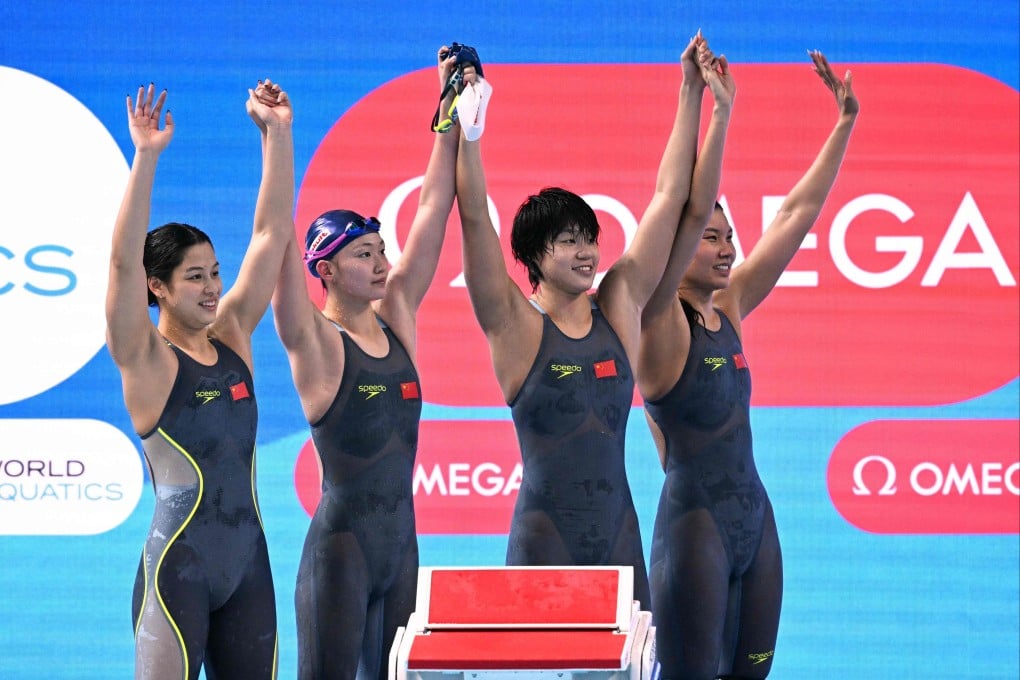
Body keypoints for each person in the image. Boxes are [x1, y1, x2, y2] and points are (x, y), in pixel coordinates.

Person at [453, 34, 725, 611]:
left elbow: (670, 196)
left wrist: (690, 91)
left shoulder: (620, 306)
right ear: (533, 257)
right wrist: (466, 125)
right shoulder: (515, 327)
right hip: (543, 543)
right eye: (568, 242)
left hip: (620, 536)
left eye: (589, 239)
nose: (585, 253)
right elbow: (474, 215)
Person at [639, 51, 859, 679]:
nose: (726, 247)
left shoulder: (730, 306)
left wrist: (843, 123)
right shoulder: (657, 320)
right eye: (710, 237)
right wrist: (714, 107)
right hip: (693, 531)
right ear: (678, 247)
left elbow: (795, 214)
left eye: (729, 236)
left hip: (755, 523)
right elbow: (678, 197)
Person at [271, 46, 470, 680]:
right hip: (340, 556)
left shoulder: (397, 316)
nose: (382, 262)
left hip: (401, 552)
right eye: (363, 254)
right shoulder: (316, 342)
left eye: (382, 249)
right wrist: (279, 139)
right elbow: (273, 242)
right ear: (325, 269)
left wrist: (448, 114)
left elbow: (434, 208)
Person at [106, 79, 293, 679]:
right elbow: (120, 263)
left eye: (214, 272)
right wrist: (146, 156)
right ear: (157, 287)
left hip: (250, 570)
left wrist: (279, 133)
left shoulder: (233, 335)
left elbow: (270, 234)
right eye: (194, 277)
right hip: (177, 574)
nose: (213, 287)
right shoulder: (146, 357)